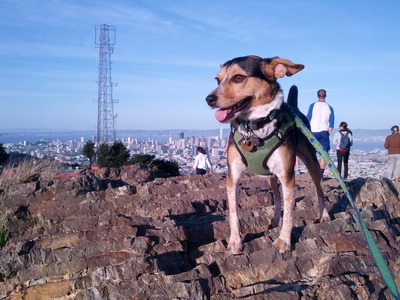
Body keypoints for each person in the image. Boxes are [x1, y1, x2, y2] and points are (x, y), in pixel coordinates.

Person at [307, 89, 335, 180]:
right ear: (325, 96)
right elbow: (331, 126)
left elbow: (308, 119)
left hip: (313, 132)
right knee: (324, 154)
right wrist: (327, 134)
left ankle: (313, 174)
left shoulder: (312, 105)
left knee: (312, 153)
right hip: (324, 132)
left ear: (317, 96)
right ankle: (321, 175)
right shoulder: (330, 107)